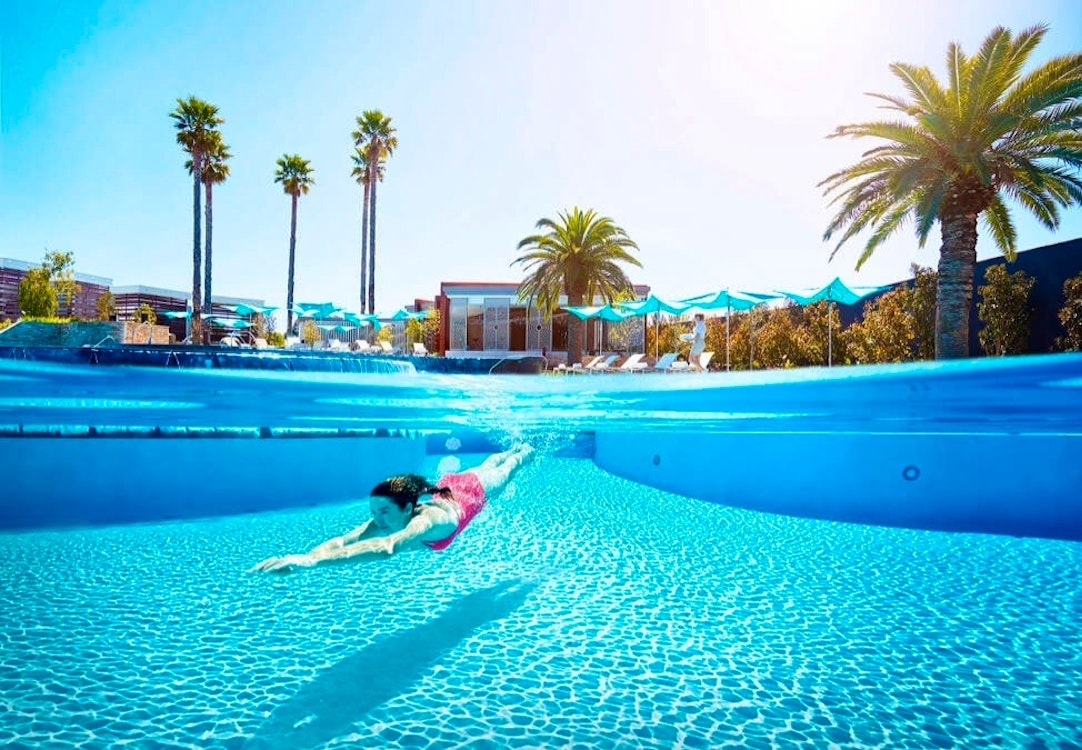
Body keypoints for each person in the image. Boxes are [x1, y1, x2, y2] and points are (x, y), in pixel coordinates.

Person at [250, 444, 534, 573]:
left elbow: (388, 549)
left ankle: (522, 452)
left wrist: (313, 563)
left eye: (383, 512)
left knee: (505, 469)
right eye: (373, 513)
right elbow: (344, 541)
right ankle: (512, 449)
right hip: (449, 487)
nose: (376, 520)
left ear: (407, 507)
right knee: (486, 464)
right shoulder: (388, 519)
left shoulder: (425, 522)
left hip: (472, 491)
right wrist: (302, 557)